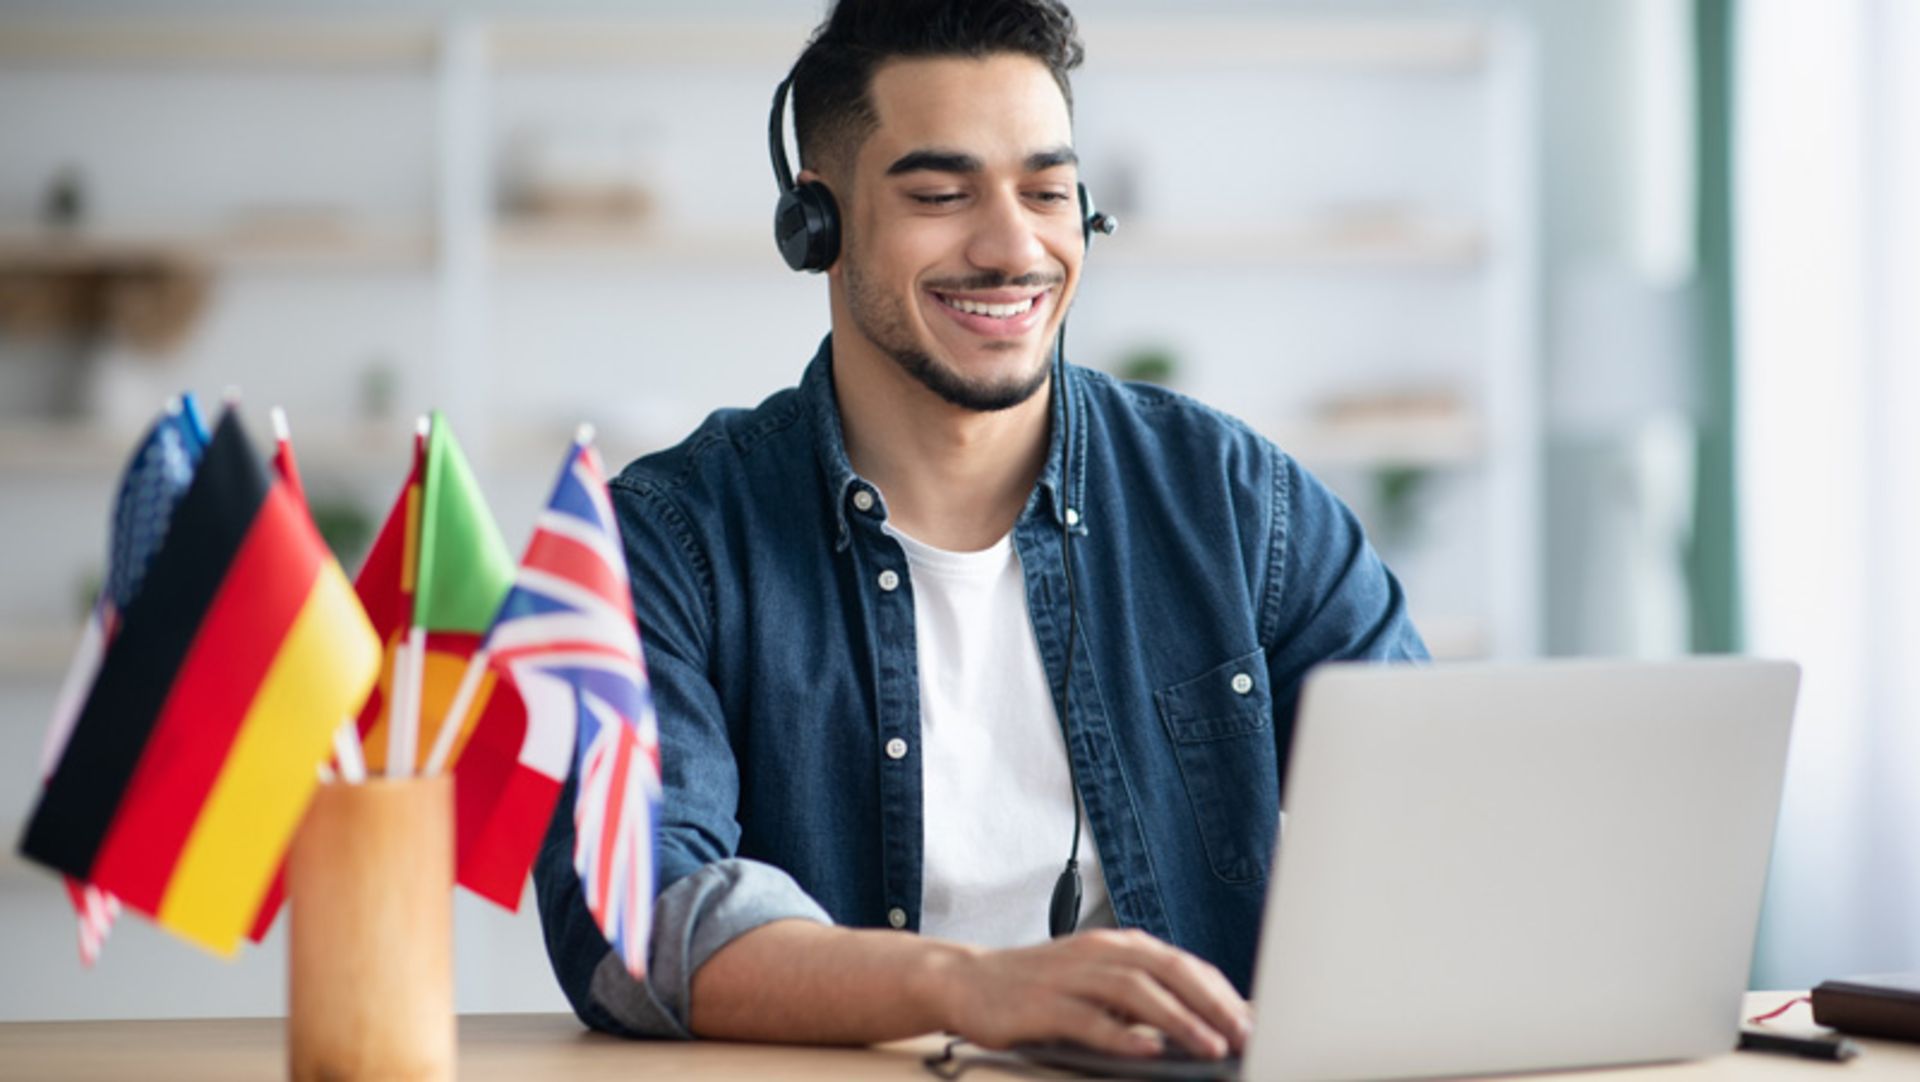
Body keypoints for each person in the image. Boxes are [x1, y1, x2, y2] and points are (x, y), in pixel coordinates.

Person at [534, 0, 1426, 1062]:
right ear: (814, 225)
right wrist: (970, 987)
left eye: (1048, 192)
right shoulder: (675, 537)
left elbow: (1437, 830)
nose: (1014, 248)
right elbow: (636, 917)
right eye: (942, 194)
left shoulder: (1240, 503)